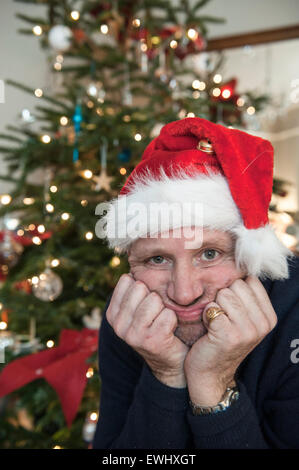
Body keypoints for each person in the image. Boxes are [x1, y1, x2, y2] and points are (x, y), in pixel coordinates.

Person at [92, 117, 299, 449]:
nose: (184, 293)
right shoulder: (129, 315)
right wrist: (165, 375)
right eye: (157, 259)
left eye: (211, 253)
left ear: (252, 256)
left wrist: (214, 384)